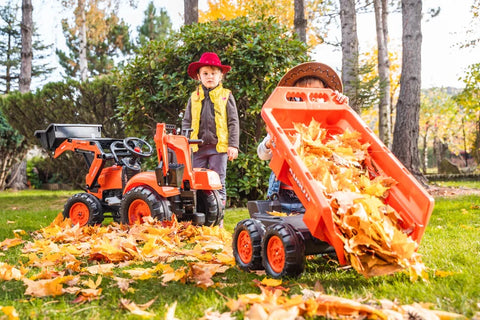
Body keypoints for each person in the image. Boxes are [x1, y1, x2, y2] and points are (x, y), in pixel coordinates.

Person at [257, 62, 348, 213]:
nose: (309, 99)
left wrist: (340, 105)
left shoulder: (328, 120)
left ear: (325, 94)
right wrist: (269, 143)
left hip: (317, 194)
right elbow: (262, 154)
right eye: (302, 94)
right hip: (285, 194)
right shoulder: (284, 120)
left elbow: (341, 132)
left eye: (316, 94)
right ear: (294, 97)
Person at [182, 52, 240, 205]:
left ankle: (218, 217)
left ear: (220, 76)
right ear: (199, 76)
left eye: (213, 73)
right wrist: (185, 143)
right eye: (205, 73)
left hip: (218, 148)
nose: (209, 76)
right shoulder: (194, 97)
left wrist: (233, 145)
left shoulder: (226, 96)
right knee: (196, 181)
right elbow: (187, 122)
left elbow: (233, 122)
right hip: (197, 147)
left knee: (218, 181)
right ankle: (201, 215)